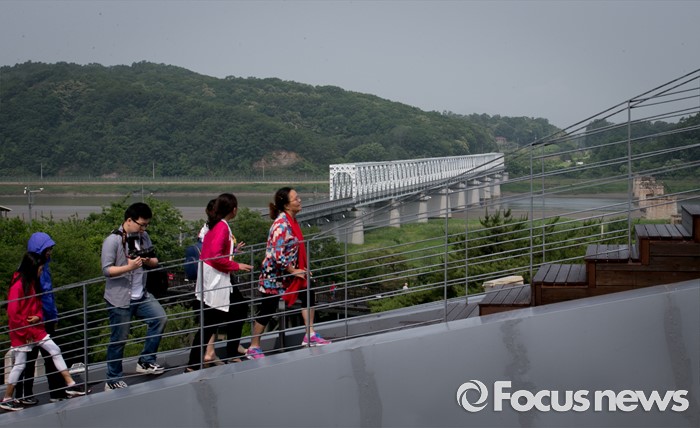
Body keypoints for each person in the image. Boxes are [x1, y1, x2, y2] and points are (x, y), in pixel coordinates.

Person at [246, 187, 330, 359]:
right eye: (296, 199)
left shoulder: (292, 221)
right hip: (274, 276)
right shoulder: (281, 225)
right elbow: (277, 255)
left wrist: (300, 269)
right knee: (267, 309)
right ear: (286, 205)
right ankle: (253, 347)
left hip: (286, 274)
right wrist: (294, 270)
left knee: (308, 290)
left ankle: (310, 334)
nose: (300, 200)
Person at [1, 252, 86, 411]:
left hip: (35, 330)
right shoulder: (19, 286)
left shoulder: (31, 283)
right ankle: (7, 397)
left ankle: (70, 383)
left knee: (55, 350)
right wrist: (26, 332)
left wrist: (38, 317)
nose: (41, 271)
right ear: (33, 268)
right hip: (23, 333)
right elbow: (13, 313)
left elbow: (37, 305)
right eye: (40, 269)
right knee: (20, 365)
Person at [101, 202, 167, 391]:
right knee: (119, 339)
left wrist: (146, 260)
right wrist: (128, 267)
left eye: (146, 225)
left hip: (141, 294)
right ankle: (112, 379)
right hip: (120, 298)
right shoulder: (113, 241)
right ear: (129, 220)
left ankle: (146, 361)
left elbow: (155, 261)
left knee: (160, 318)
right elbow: (106, 270)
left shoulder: (143, 237)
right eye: (141, 224)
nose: (143, 229)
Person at [186, 193, 252, 370]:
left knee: (237, 309)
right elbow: (215, 257)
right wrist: (237, 265)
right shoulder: (222, 227)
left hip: (213, 278)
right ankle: (195, 363)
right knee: (211, 322)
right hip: (216, 280)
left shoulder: (215, 225)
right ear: (234, 210)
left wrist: (232, 255)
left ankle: (228, 352)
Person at [14, 233, 69, 405]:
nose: (50, 252)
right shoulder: (30, 272)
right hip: (36, 322)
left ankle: (56, 391)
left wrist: (51, 316)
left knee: (49, 355)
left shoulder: (42, 267)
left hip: (43, 319)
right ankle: (25, 394)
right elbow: (37, 299)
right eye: (48, 249)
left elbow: (46, 296)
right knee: (30, 358)